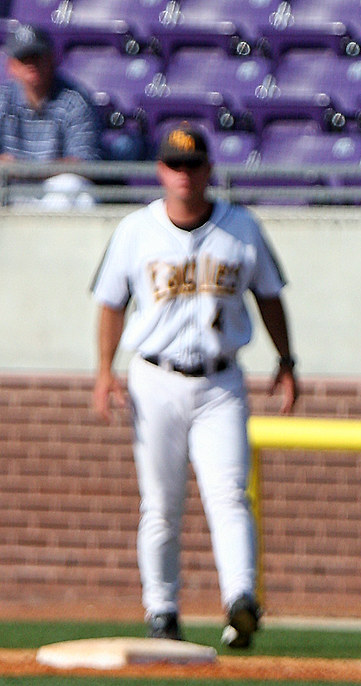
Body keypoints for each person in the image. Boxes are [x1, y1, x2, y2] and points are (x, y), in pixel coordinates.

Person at [91, 123, 298, 648]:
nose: (184, 175)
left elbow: (269, 294)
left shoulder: (241, 226)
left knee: (229, 494)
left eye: (193, 164)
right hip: (154, 376)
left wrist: (287, 360)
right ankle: (161, 609)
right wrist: (102, 370)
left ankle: (241, 601)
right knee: (160, 503)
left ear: (209, 169)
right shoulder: (136, 230)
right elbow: (110, 302)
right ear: (160, 170)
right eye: (174, 165)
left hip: (221, 379)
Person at [0, 23, 100, 207]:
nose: (31, 65)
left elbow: (83, 164)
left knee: (73, 188)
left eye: (36, 57)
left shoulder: (74, 100)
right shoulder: (0, 97)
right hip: (5, 184)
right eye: (24, 58)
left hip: (48, 188)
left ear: (51, 59)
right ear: (11, 66)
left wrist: (28, 169)